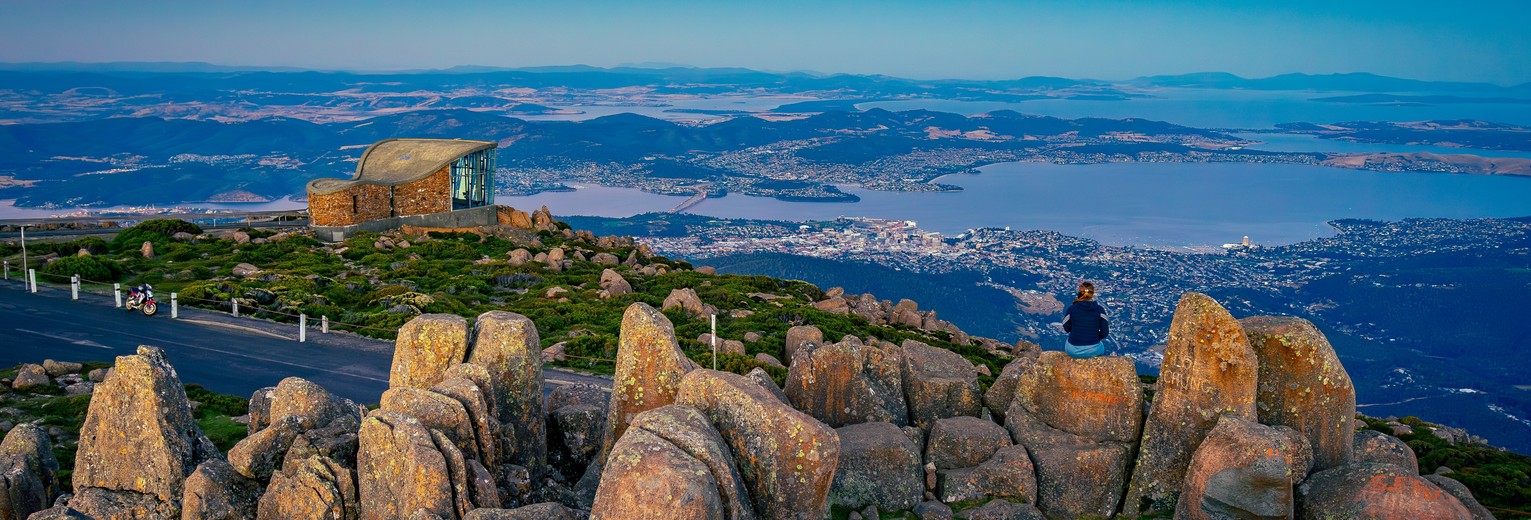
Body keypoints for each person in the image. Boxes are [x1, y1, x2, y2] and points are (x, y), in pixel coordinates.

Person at [1061, 281, 1109, 358]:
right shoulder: (1100, 310)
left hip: (1073, 350)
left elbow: (1066, 328)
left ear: (1079, 293)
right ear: (1092, 294)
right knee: (1101, 346)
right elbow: (1105, 332)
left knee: (1067, 342)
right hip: (1094, 350)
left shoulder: (1072, 309)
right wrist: (1094, 337)